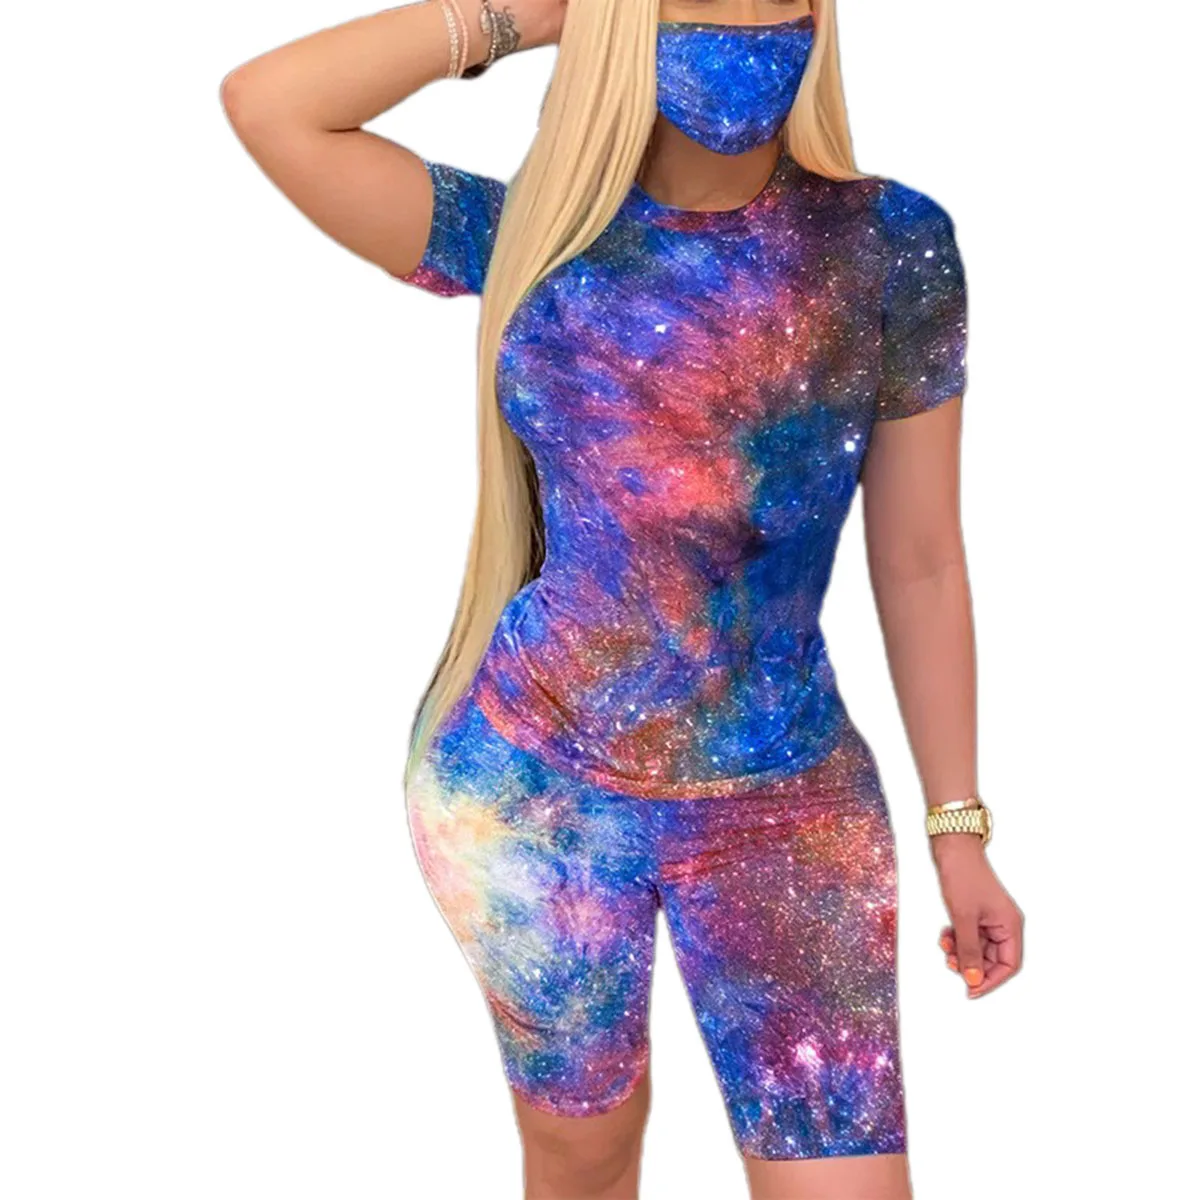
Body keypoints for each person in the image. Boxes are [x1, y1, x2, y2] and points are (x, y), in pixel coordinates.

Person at [221, 1, 1024, 1195]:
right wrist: (539, 13)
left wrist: (958, 829)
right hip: (531, 793)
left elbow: (921, 560)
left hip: (787, 803)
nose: (742, 19)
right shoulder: (530, 237)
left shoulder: (888, 246)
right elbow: (272, 105)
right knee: (583, 1152)